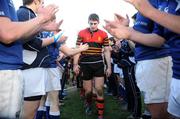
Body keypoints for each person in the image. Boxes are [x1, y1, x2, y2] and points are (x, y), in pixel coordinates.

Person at [104, 2, 173, 119]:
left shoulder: (157, 3)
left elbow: (160, 39)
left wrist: (127, 33)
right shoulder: (144, 7)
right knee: (153, 109)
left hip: (157, 60)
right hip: (145, 61)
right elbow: (139, 42)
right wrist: (126, 29)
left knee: (160, 114)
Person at [0, 0, 58, 118]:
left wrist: (41, 27)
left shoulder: (26, 13)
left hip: (14, 67)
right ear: (36, 2)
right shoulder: (24, 13)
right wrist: (43, 20)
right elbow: (10, 35)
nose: (43, 6)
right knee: (27, 113)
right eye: (42, 3)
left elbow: (22, 38)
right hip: (17, 67)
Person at [73, 13, 111, 119]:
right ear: (88, 22)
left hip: (98, 63)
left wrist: (109, 67)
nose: (93, 25)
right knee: (88, 91)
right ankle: (89, 103)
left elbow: (107, 51)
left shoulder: (103, 34)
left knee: (99, 89)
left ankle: (100, 114)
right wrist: (75, 64)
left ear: (98, 23)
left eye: (95, 23)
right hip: (85, 65)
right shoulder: (81, 33)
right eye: (91, 23)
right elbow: (77, 50)